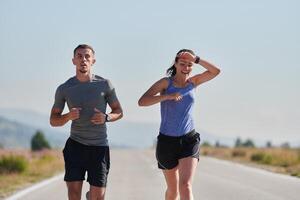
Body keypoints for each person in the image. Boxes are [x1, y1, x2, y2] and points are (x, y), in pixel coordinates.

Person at [138, 49, 220, 200]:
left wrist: (197, 59)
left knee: (186, 186)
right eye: (182, 64)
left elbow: (215, 71)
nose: (186, 68)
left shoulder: (194, 82)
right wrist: (166, 96)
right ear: (175, 64)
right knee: (173, 191)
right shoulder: (165, 83)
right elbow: (142, 101)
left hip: (189, 139)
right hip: (167, 142)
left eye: (189, 65)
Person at [50, 44, 123, 200]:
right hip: (75, 146)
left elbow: (119, 111)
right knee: (74, 195)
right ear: (73, 60)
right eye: (79, 56)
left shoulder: (105, 85)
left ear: (93, 61)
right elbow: (53, 120)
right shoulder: (65, 88)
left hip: (99, 148)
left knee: (98, 197)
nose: (83, 59)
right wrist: (68, 116)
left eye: (87, 56)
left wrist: (106, 117)